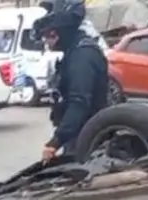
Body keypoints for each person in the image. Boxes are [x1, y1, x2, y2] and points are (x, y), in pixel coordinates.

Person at [34, 0, 108, 162]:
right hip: (80, 134)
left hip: (86, 136)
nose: (46, 41)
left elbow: (79, 102)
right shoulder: (74, 52)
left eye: (49, 35)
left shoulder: (82, 57)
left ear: (60, 33)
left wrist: (56, 141)